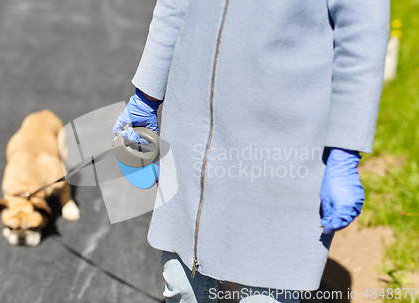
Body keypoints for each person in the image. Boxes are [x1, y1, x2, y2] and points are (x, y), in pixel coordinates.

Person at [113, 0, 390, 302]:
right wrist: (146, 96)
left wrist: (345, 151)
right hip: (193, 127)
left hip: (284, 140)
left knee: (264, 294)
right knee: (183, 285)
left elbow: (364, 33)